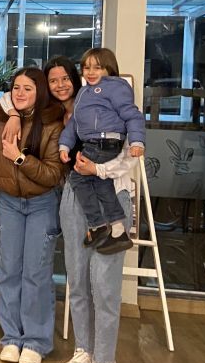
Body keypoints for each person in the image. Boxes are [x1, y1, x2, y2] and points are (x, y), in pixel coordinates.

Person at [3, 56, 135, 363]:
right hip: (73, 200)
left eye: (66, 78)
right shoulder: (56, 114)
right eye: (53, 80)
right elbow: (8, 97)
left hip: (111, 198)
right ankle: (83, 351)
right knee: (77, 281)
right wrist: (15, 115)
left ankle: (105, 362)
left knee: (104, 286)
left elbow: (130, 157)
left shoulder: (113, 106)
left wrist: (97, 170)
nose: (60, 85)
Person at [0, 68, 64, 363]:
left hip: (41, 203)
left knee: (36, 273)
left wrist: (19, 158)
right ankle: (11, 337)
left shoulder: (52, 124)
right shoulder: (0, 119)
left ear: (40, 92)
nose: (20, 93)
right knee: (8, 270)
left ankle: (35, 340)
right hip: (8, 202)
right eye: (16, 87)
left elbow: (53, 174)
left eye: (28, 88)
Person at [58, 48, 145, 254]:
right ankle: (117, 230)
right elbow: (74, 123)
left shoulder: (115, 87)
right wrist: (64, 145)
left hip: (106, 141)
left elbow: (133, 116)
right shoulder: (84, 92)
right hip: (93, 143)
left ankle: (97, 225)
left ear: (109, 69)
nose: (90, 72)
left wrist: (137, 141)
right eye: (86, 67)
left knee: (78, 178)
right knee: (101, 183)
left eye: (97, 67)